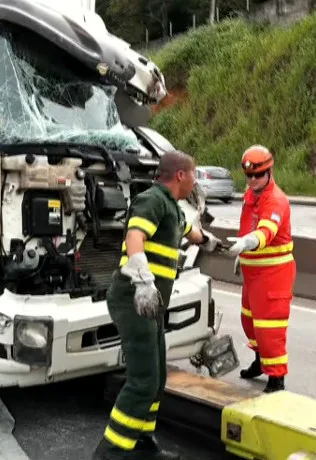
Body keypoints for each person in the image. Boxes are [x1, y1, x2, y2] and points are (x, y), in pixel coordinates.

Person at [93, 150, 222, 460]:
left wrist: (211, 241)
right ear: (180, 175)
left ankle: (141, 441)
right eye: (193, 174)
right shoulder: (152, 200)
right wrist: (143, 281)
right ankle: (110, 452)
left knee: (157, 378)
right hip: (133, 298)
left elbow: (190, 232)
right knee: (143, 381)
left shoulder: (173, 209)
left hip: (149, 305)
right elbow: (135, 237)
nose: (195, 181)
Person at [227, 145, 295, 393]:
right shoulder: (251, 195)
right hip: (252, 272)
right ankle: (259, 361)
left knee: (269, 328)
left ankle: (276, 378)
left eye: (258, 175)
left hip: (272, 275)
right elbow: (249, 225)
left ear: (269, 173)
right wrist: (243, 254)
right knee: (250, 322)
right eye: (249, 176)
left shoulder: (275, 199)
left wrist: (246, 244)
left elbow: (266, 231)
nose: (253, 180)